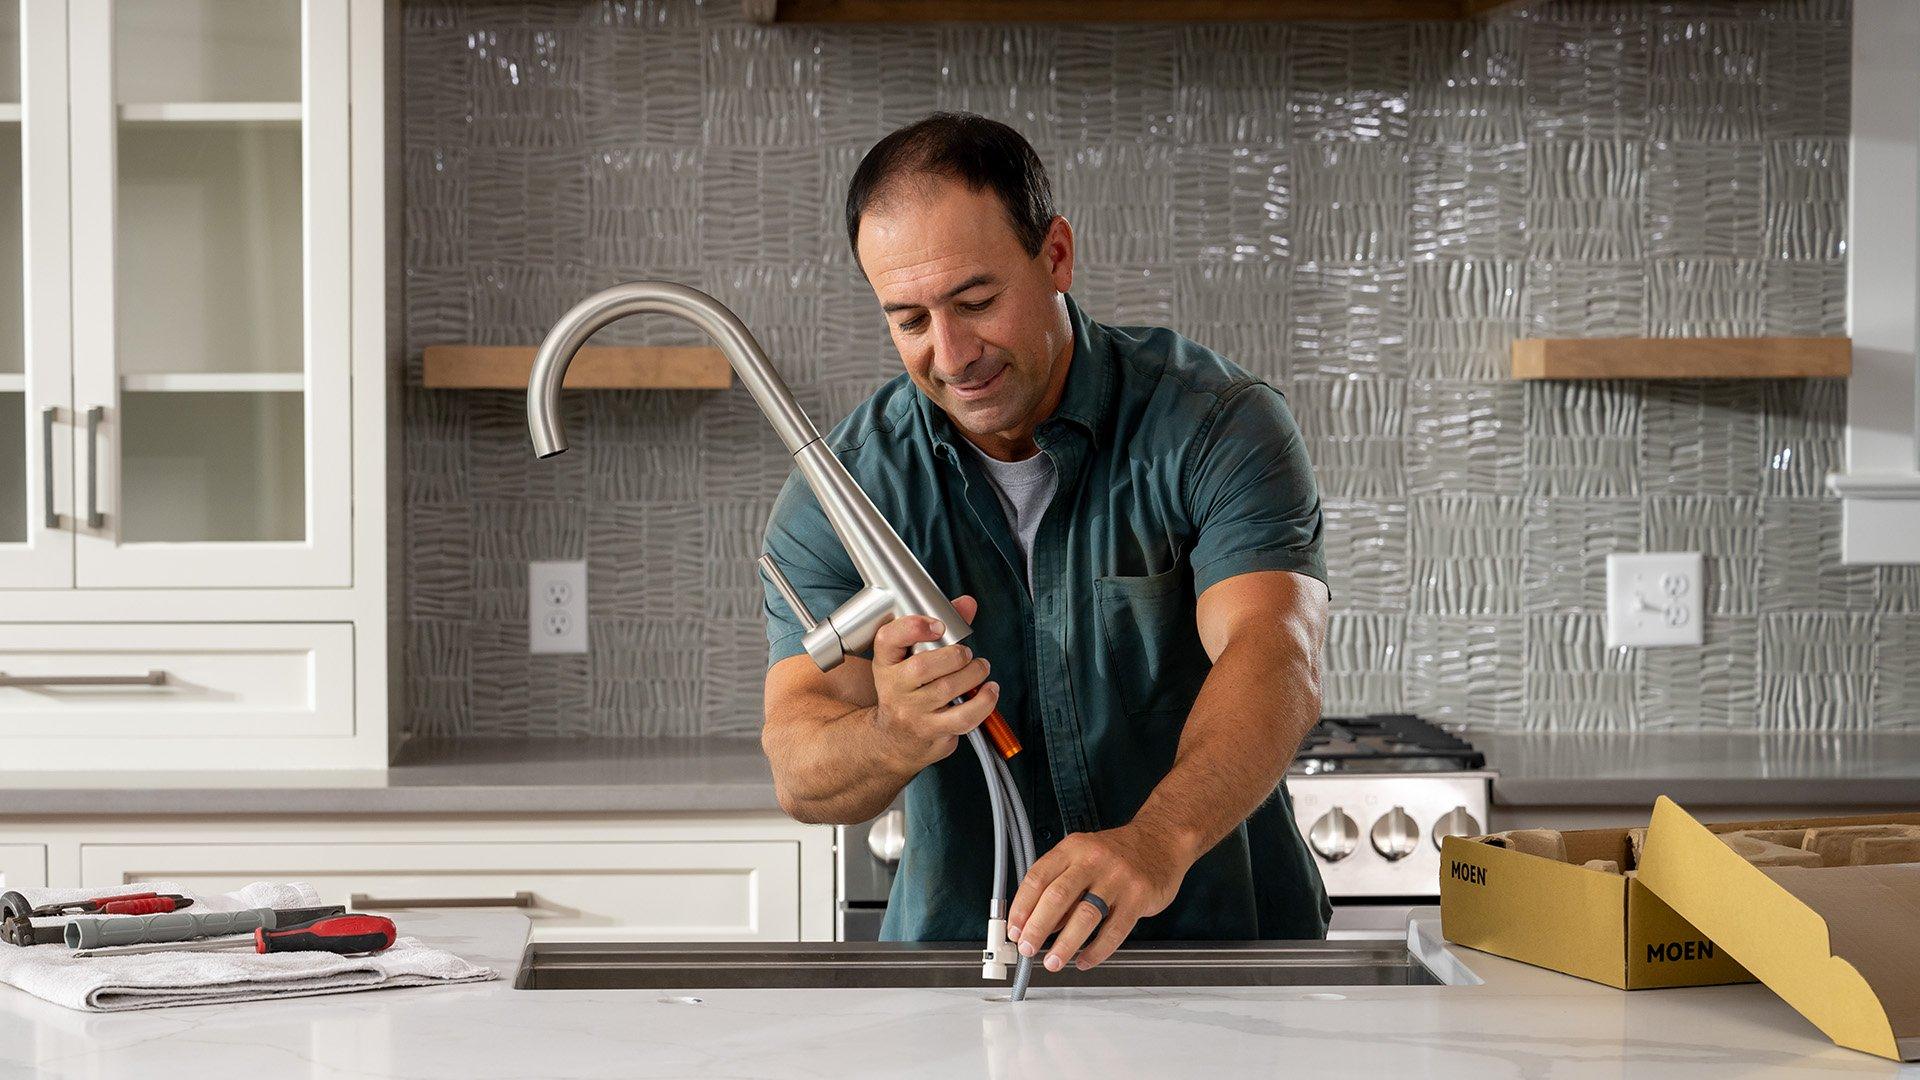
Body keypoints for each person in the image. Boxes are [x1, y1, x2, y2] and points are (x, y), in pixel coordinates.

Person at [759, 112, 1331, 974]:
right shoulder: (841, 494)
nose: (951, 354)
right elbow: (799, 767)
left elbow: (1274, 656)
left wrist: (1154, 843)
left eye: (977, 302)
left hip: (1221, 959)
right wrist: (894, 730)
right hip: (962, 983)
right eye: (909, 319)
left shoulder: (1219, 426)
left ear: (1056, 256)